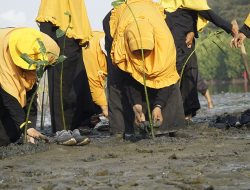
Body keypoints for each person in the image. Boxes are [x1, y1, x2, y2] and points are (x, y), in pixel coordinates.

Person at [109, 0, 185, 136]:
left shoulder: (166, 44)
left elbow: (168, 77)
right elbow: (127, 76)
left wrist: (159, 106)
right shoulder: (121, 45)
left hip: (153, 16)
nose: (142, 57)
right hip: (123, 16)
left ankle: (171, 126)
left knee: (171, 79)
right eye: (137, 53)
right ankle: (123, 129)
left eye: (146, 52)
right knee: (116, 79)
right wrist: (136, 105)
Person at [160, 0, 238, 120]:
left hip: (185, 33)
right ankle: (166, 112)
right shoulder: (172, 5)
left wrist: (192, 30)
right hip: (176, 32)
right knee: (176, 72)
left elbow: (193, 12)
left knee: (191, 71)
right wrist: (230, 27)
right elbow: (206, 13)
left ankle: (187, 114)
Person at [36, 0, 101, 134]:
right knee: (61, 86)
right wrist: (47, 47)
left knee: (78, 83)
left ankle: (78, 124)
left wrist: (83, 34)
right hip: (59, 37)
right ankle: (62, 129)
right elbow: (47, 18)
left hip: (74, 40)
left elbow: (79, 15)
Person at [0, 27, 59, 146]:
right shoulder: (5, 58)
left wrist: (29, 128)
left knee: (10, 136)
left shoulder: (35, 46)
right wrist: (26, 127)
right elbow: (9, 98)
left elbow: (30, 96)